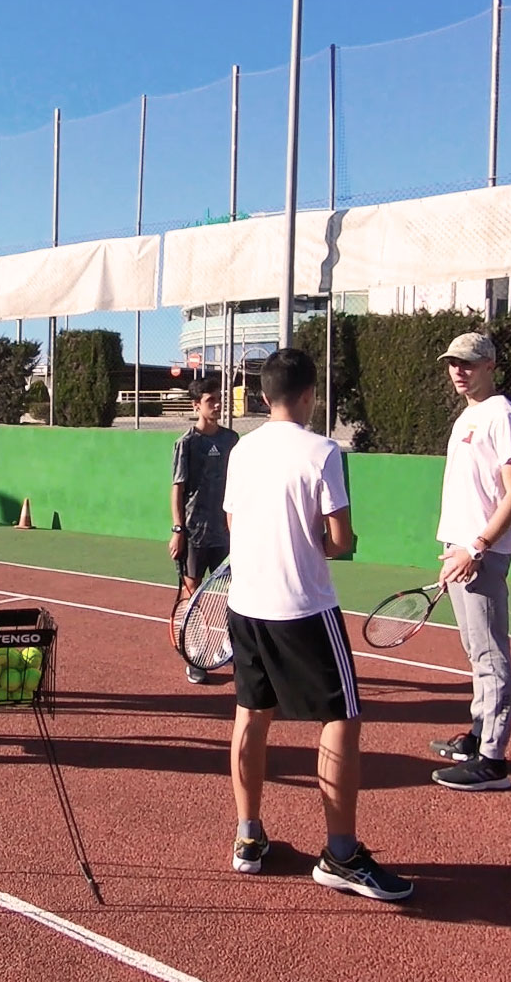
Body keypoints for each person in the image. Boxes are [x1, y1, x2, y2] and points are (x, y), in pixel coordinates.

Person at [221, 347, 413, 901]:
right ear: (310, 395)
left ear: (263, 396)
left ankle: (247, 837)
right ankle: (342, 854)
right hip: (302, 606)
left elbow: (235, 521)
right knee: (341, 719)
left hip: (246, 603)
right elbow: (340, 539)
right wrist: (328, 543)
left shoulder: (242, 450)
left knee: (251, 713)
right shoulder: (324, 451)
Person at [428, 332, 511, 791]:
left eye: (468, 363)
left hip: (481, 554)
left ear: (490, 365)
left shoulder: (502, 415)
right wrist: (456, 545)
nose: (458, 370)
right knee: (475, 650)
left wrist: (477, 547)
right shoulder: (469, 416)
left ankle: (492, 758)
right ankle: (477, 733)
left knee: (490, 653)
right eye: (453, 363)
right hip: (460, 549)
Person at [169, 372, 240, 685]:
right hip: (195, 532)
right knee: (191, 593)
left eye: (218, 399)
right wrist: (178, 529)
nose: (217, 404)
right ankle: (195, 653)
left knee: (234, 593)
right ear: (196, 405)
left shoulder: (231, 440)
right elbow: (178, 489)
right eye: (210, 400)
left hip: (227, 532)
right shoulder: (186, 443)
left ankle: (231, 646)